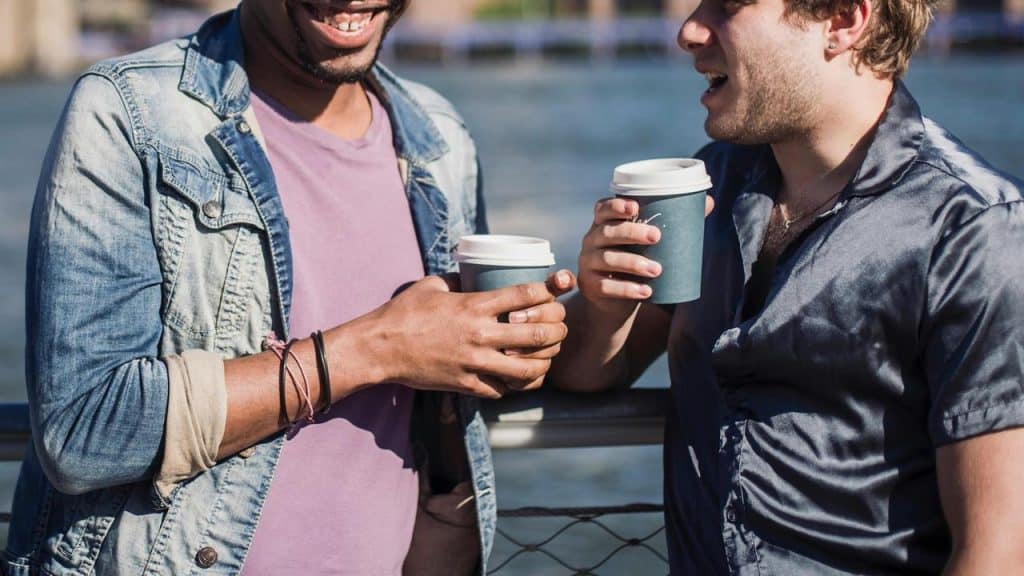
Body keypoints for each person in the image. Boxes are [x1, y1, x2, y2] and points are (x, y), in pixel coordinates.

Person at [4, 1, 575, 574]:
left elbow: (446, 385)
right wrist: (375, 349)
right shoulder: (129, 112)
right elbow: (82, 430)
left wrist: (584, 307)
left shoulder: (441, 138)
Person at [549, 0, 1024, 572]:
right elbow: (591, 372)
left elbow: (996, 552)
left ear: (844, 21)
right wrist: (603, 304)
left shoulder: (975, 228)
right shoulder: (712, 183)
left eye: (727, 6)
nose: (689, 30)